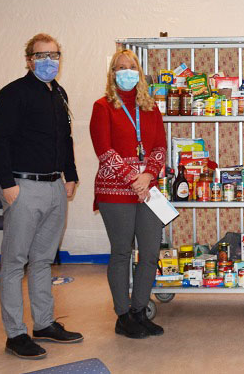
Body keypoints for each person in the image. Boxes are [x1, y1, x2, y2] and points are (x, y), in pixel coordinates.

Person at [0, 33, 83, 360]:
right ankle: (16, 334)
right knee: (14, 263)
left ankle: (44, 324)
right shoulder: (14, 93)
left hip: (55, 187)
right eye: (41, 56)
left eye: (53, 55)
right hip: (23, 188)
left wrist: (70, 175)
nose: (48, 61)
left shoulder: (58, 93)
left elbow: (66, 138)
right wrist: (7, 184)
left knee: (43, 260)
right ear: (28, 59)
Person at [89, 49, 167, 339]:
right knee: (122, 252)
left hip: (148, 189)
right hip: (114, 191)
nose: (126, 72)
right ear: (112, 73)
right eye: (120, 67)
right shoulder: (103, 107)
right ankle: (122, 316)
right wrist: (133, 177)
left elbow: (160, 146)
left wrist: (148, 176)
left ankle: (139, 311)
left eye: (131, 67)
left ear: (140, 72)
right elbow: (104, 149)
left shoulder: (151, 107)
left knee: (149, 252)